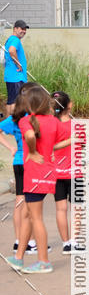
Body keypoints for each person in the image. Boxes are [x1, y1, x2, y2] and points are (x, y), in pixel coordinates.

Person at [6, 83, 71, 274]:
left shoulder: (28, 121)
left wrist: (33, 151)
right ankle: (18, 257)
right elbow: (63, 141)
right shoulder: (53, 121)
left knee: (36, 218)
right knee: (27, 214)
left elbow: (29, 136)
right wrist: (48, 150)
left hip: (34, 173)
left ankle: (43, 261)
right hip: (49, 172)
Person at [0, 92, 35, 255]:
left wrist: (11, 148)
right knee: (30, 202)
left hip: (18, 162)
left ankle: (18, 240)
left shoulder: (14, 118)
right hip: (29, 162)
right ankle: (28, 242)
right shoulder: (32, 118)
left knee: (19, 200)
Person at [52, 91, 76, 254]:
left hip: (56, 172)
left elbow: (50, 147)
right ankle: (74, 241)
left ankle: (65, 243)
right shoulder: (76, 125)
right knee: (77, 207)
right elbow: (82, 146)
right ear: (69, 105)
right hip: (75, 172)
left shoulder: (51, 124)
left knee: (60, 209)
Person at [3, 19, 28, 115]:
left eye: (25, 29)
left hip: (10, 76)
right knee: (16, 102)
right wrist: (19, 64)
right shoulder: (15, 40)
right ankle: (15, 124)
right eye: (22, 29)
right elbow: (12, 50)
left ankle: (10, 124)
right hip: (16, 76)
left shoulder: (9, 39)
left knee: (11, 101)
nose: (24, 31)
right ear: (15, 29)